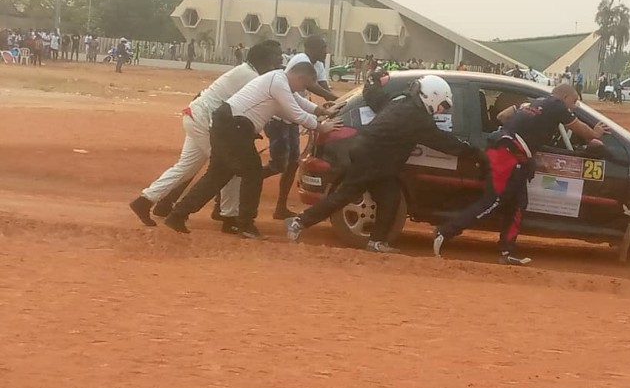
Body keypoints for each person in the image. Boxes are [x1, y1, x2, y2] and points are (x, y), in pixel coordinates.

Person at [285, 73, 479, 253]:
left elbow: (374, 97)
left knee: (390, 198)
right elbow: (443, 142)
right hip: (372, 159)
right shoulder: (417, 117)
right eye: (441, 105)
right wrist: (474, 152)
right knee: (344, 196)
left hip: (375, 160)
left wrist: (374, 80)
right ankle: (298, 222)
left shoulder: (400, 101)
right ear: (431, 96)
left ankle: (377, 241)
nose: (440, 110)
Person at [433, 84, 608, 265]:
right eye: (574, 101)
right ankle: (444, 232)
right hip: (505, 157)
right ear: (564, 97)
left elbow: (503, 116)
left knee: (518, 204)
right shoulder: (557, 105)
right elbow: (580, 129)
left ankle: (507, 251)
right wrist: (595, 133)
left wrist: (520, 128)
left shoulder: (534, 102)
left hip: (514, 157)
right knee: (493, 201)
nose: (574, 106)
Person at [163, 62, 340, 239]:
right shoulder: (278, 83)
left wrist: (320, 111)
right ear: (300, 77)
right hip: (234, 127)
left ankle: (178, 215)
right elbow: (295, 112)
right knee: (252, 173)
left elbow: (296, 104)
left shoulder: (278, 79)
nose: (303, 89)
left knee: (217, 175)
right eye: (304, 85)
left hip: (228, 124)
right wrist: (320, 126)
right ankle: (245, 224)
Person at [129, 41, 284, 229]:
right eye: (277, 55)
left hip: (196, 116)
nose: (281, 59)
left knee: (186, 167)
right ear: (264, 59)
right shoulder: (251, 77)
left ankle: (145, 200)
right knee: (232, 167)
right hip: (203, 121)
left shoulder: (248, 72)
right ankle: (228, 216)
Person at [262, 35, 339, 219]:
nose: (325, 50)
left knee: (291, 164)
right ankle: (245, 179)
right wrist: (336, 102)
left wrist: (335, 102)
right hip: (281, 117)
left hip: (292, 117)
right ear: (311, 48)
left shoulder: (318, 65)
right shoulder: (301, 61)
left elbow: (323, 87)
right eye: (322, 47)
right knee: (279, 164)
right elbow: (314, 88)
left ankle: (280, 207)